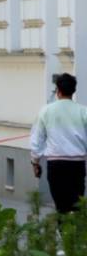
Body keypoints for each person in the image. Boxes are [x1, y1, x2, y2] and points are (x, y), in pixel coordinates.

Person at [30, 73, 87, 215]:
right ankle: (74, 235)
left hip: (56, 166)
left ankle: (63, 234)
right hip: (77, 166)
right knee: (77, 206)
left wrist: (35, 162)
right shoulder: (83, 111)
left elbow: (37, 139)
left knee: (61, 206)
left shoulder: (46, 111)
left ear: (58, 91)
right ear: (73, 91)